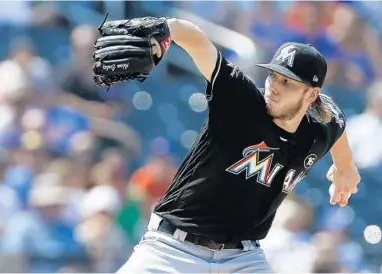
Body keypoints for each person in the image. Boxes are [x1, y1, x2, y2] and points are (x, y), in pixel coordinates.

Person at [116, 18, 361, 273]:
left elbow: (335, 118)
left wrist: (345, 164)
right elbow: (199, 43)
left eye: (287, 82)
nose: (274, 87)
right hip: (172, 249)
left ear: (311, 95)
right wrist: (168, 28)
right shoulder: (241, 101)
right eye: (273, 76)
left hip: (243, 261)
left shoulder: (317, 131)